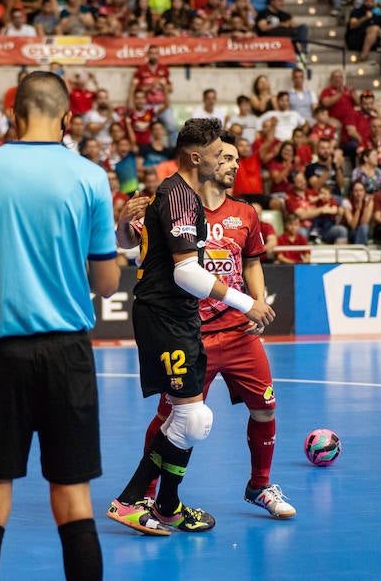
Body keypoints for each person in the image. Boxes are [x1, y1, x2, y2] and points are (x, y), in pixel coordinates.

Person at [0, 71, 121, 580]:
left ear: (13, 115)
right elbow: (105, 282)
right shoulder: (89, 177)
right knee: (74, 500)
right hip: (68, 356)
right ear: (66, 117)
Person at [107, 118, 273, 536]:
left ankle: (167, 506)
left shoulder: (191, 198)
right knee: (186, 418)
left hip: (179, 317)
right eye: (221, 154)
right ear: (197, 157)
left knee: (194, 419)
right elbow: (185, 274)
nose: (227, 162)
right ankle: (129, 501)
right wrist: (246, 303)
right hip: (167, 315)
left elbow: (145, 248)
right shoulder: (179, 196)